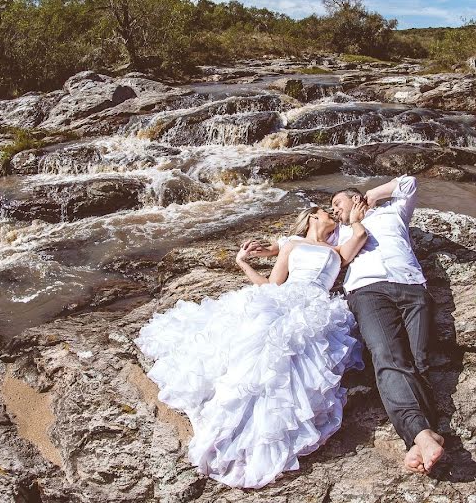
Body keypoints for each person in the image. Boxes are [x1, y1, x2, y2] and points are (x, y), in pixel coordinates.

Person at [134, 204, 369, 489]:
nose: (332, 214)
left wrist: (356, 218)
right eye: (326, 211)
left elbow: (360, 237)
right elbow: (272, 284)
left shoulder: (337, 250)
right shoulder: (292, 244)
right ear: (311, 216)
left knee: (295, 362)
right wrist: (243, 263)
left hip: (317, 306)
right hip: (286, 297)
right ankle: (232, 417)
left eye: (335, 212)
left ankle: (268, 429)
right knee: (258, 345)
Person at [330, 176, 444, 474]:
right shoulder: (339, 231)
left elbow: (409, 183)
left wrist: (371, 196)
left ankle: (422, 438)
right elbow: (307, 244)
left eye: (336, 202)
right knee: (387, 356)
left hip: (411, 286)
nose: (333, 209)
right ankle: (420, 435)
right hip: (368, 291)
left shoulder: (394, 211)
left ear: (354, 198)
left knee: (419, 361)